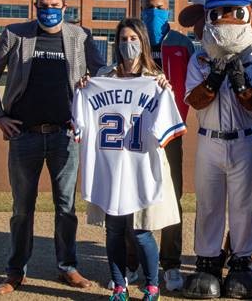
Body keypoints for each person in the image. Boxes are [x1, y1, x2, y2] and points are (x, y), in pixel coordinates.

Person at [0, 0, 106, 295]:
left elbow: (103, 74)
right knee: (22, 207)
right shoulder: (15, 34)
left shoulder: (80, 36)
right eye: (43, 5)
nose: (49, 10)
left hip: (65, 136)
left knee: (65, 207)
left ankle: (68, 267)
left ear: (65, 7)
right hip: (24, 135)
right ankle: (15, 272)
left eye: (55, 5)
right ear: (35, 6)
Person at [179, 0, 252, 299]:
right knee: (208, 204)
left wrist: (239, 82)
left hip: (245, 140)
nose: (225, 20)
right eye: (217, 13)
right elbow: (193, 100)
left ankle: (241, 261)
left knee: (243, 206)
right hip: (209, 140)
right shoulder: (199, 60)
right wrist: (214, 79)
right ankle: (207, 261)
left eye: (235, 13)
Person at [74, 18, 181, 301]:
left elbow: (167, 129)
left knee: (142, 231)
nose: (128, 44)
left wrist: (163, 89)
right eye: (122, 39)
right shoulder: (102, 76)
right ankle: (119, 284)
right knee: (113, 231)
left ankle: (152, 285)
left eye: (133, 39)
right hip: (110, 167)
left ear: (143, 42)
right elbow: (81, 118)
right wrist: (83, 87)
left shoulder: (155, 80)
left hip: (140, 167)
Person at [141, 0, 195, 291]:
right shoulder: (132, 38)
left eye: (160, 7)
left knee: (172, 198)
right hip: (136, 134)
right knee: (135, 195)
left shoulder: (181, 43)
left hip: (171, 134)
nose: (154, 12)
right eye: (149, 7)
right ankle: (134, 260)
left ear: (169, 10)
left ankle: (171, 263)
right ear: (141, 8)